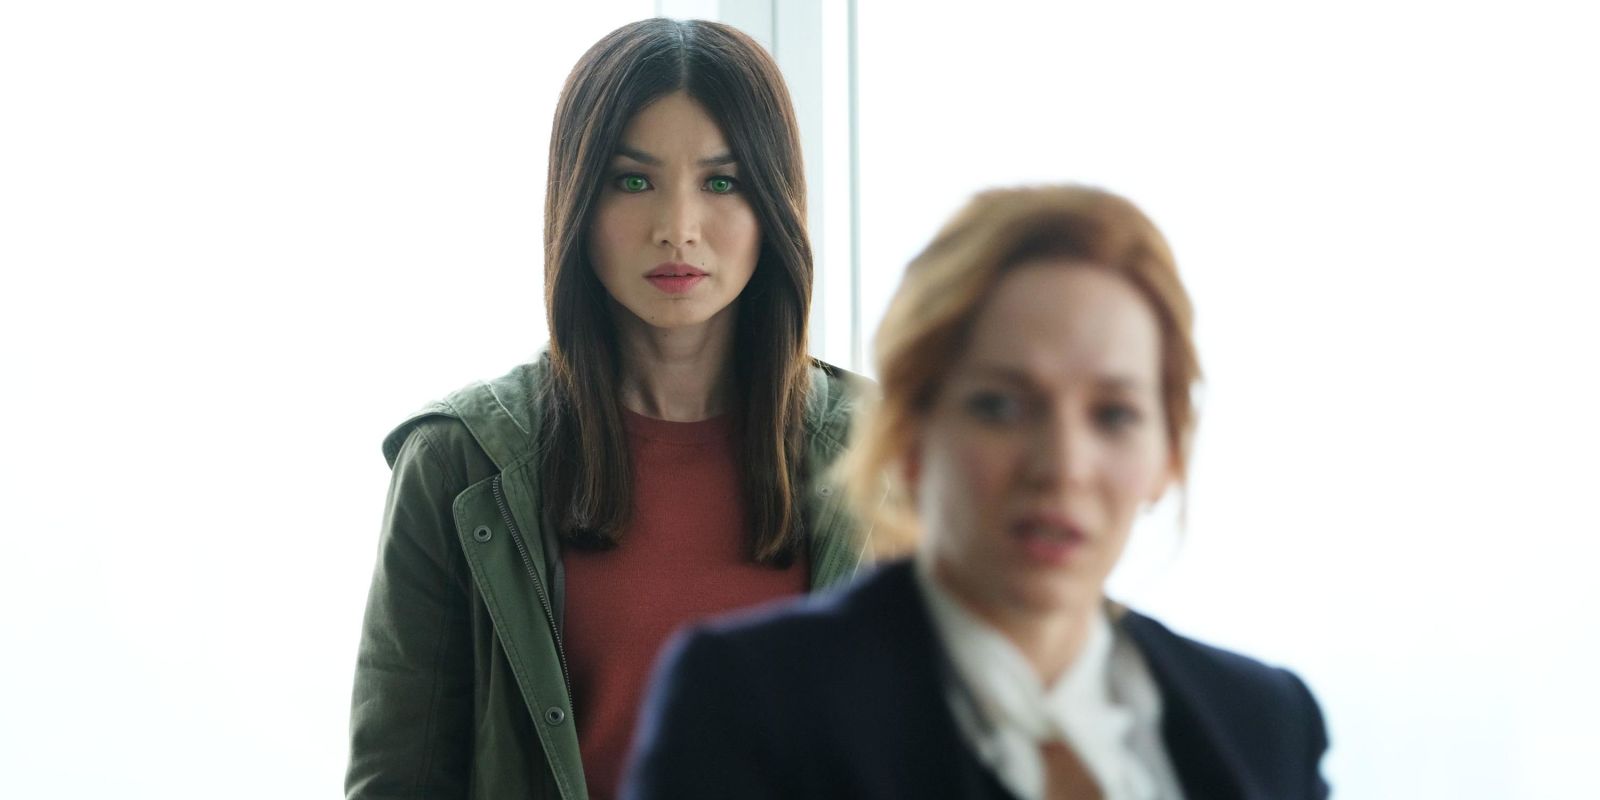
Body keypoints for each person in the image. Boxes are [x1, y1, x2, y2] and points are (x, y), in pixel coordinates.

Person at [622, 186, 1330, 799]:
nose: (1062, 466)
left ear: (1168, 453)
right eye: (1001, 406)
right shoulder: (749, 702)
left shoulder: (1265, 718)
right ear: (909, 434)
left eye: (1114, 415)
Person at [345, 18, 869, 800]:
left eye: (721, 182)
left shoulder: (890, 454)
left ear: (775, 208)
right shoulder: (459, 464)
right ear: (578, 204)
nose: (677, 229)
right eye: (633, 181)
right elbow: (400, 781)